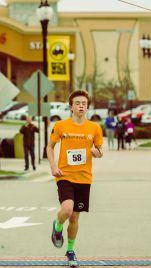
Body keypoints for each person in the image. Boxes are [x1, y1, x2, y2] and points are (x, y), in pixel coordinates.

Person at [46, 90, 103, 268]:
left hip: (84, 178)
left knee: (75, 219)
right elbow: (50, 146)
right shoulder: (61, 125)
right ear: (71, 106)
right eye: (77, 103)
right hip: (65, 176)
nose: (80, 106)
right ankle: (57, 226)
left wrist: (97, 153)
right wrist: (54, 166)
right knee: (67, 209)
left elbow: (100, 151)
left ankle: (70, 250)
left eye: (84, 103)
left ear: (87, 107)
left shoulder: (94, 128)